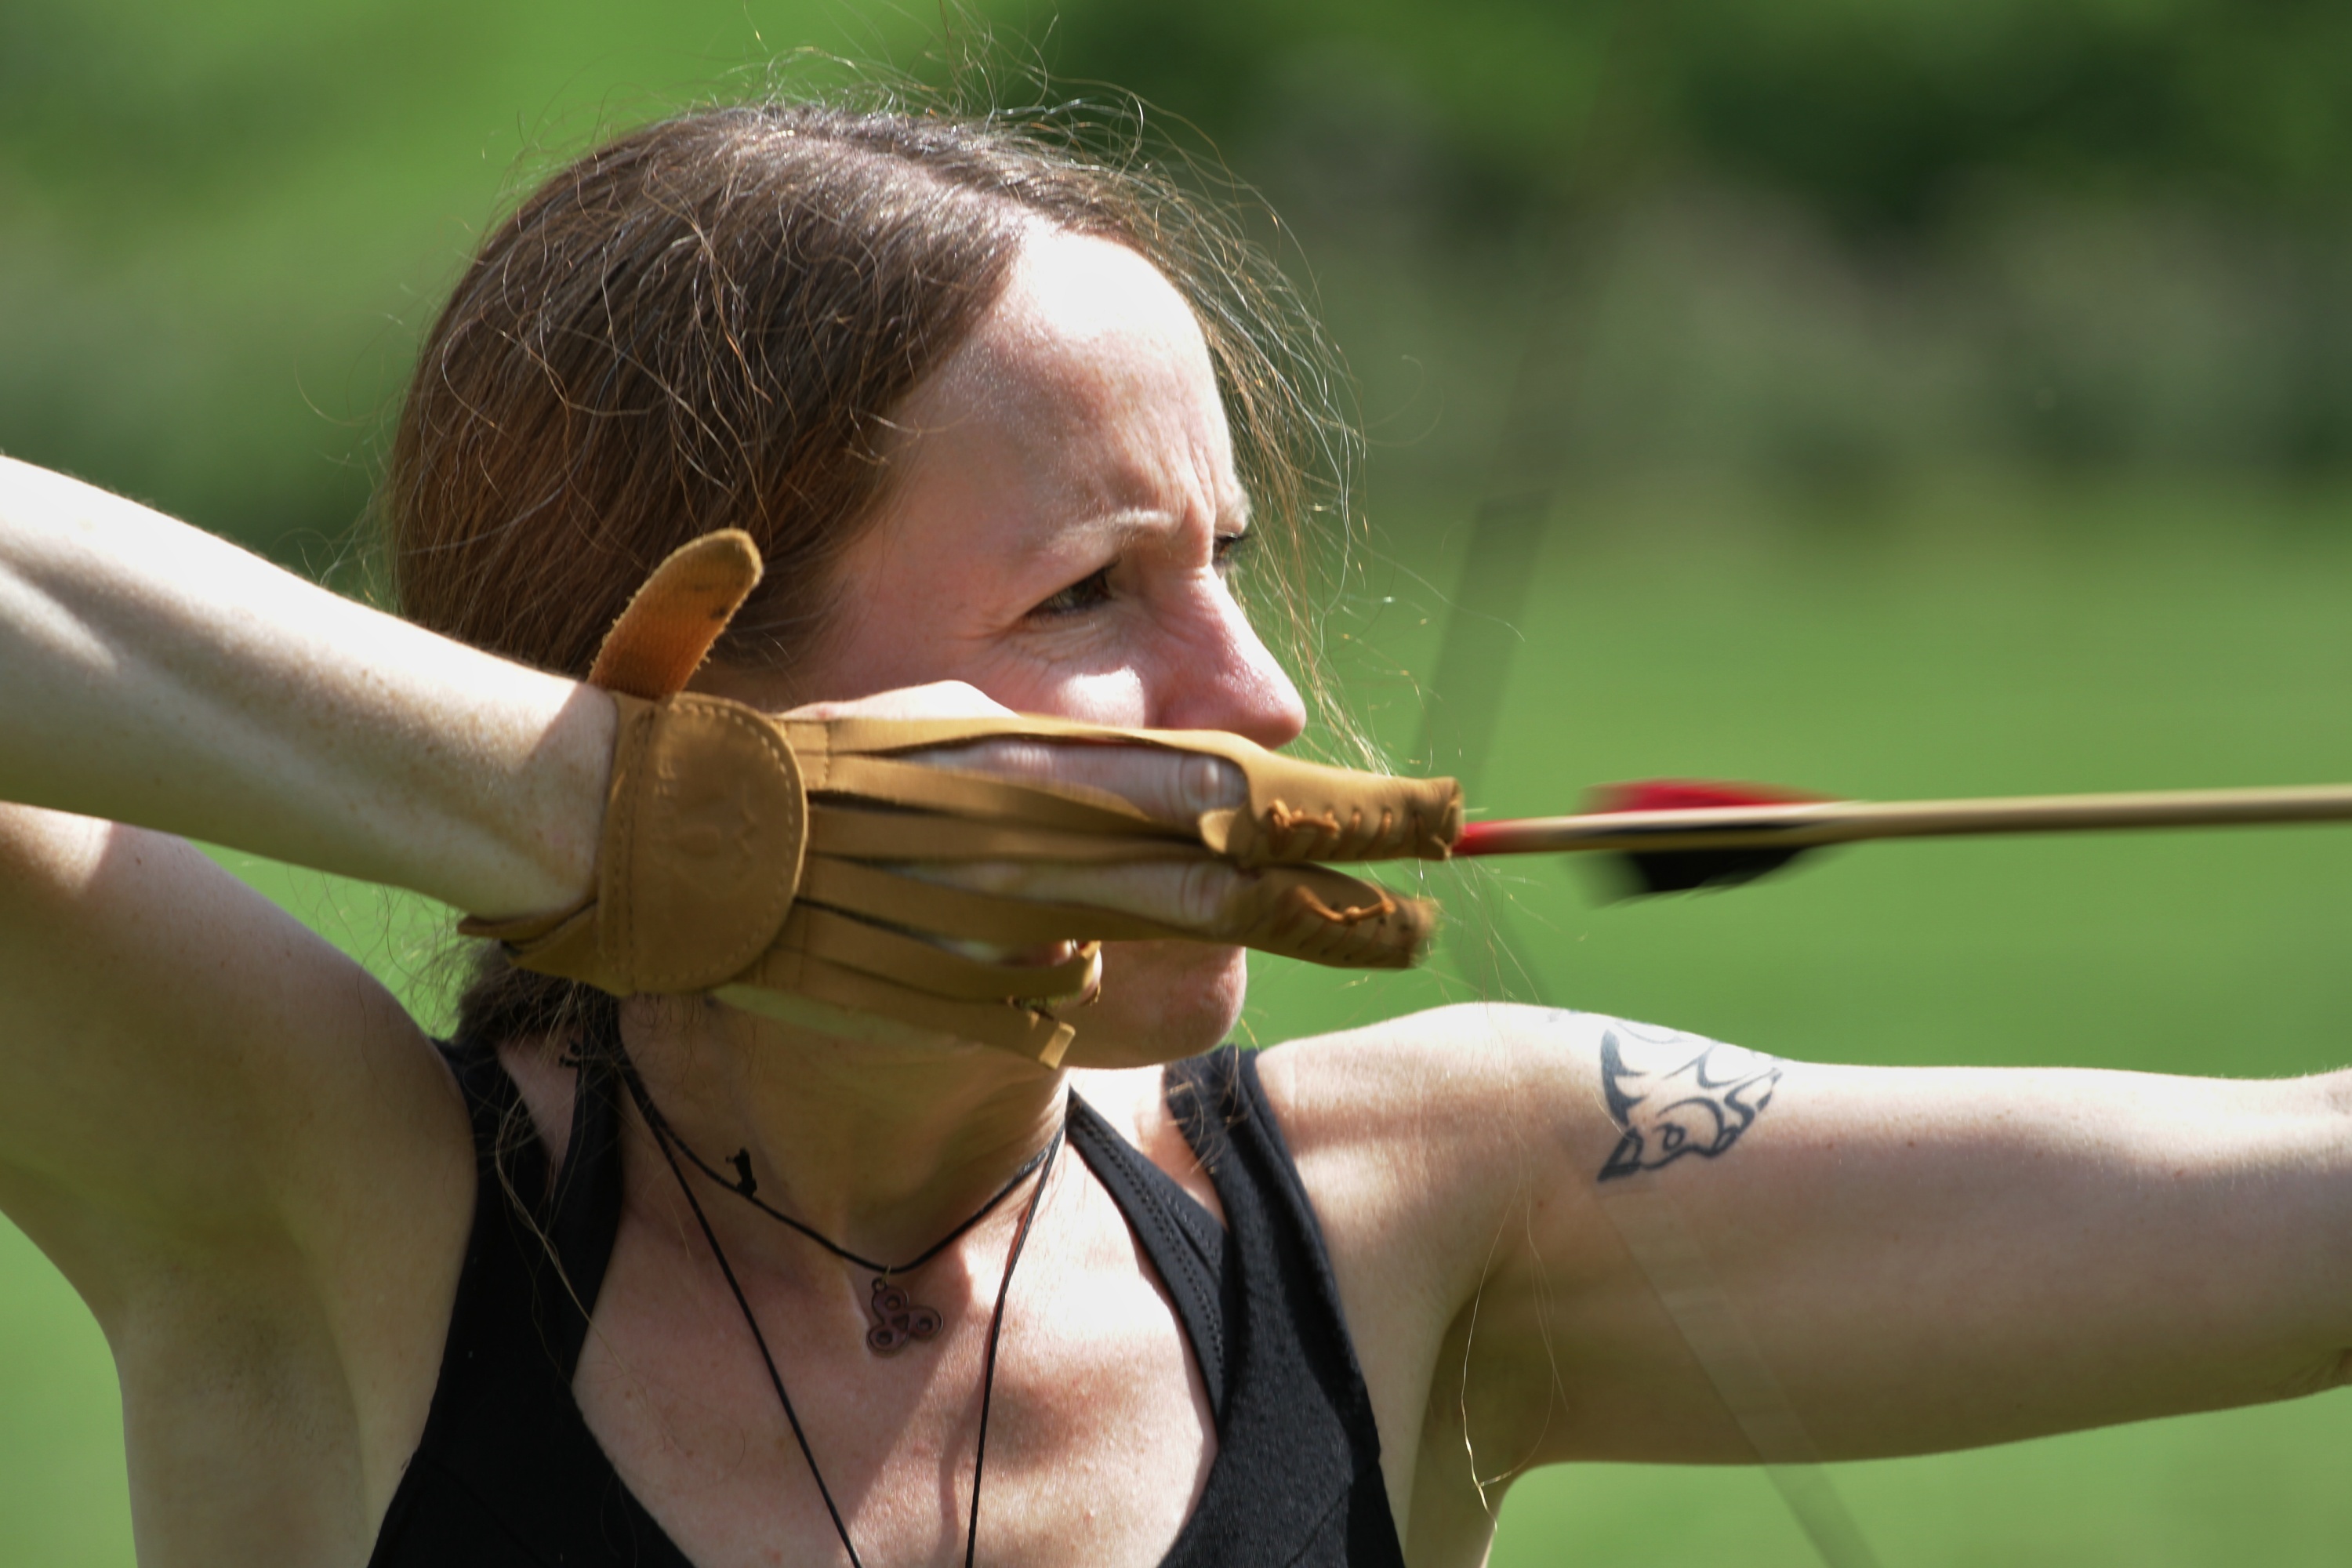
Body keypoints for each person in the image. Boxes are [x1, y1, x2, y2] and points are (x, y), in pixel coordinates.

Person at [0, 98, 2346, 1568]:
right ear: (701, 662)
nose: (1253, 699)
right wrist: (622, 813)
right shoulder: (322, 1207)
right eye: (1092, 592)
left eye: (1225, 562)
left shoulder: (1429, 1211)